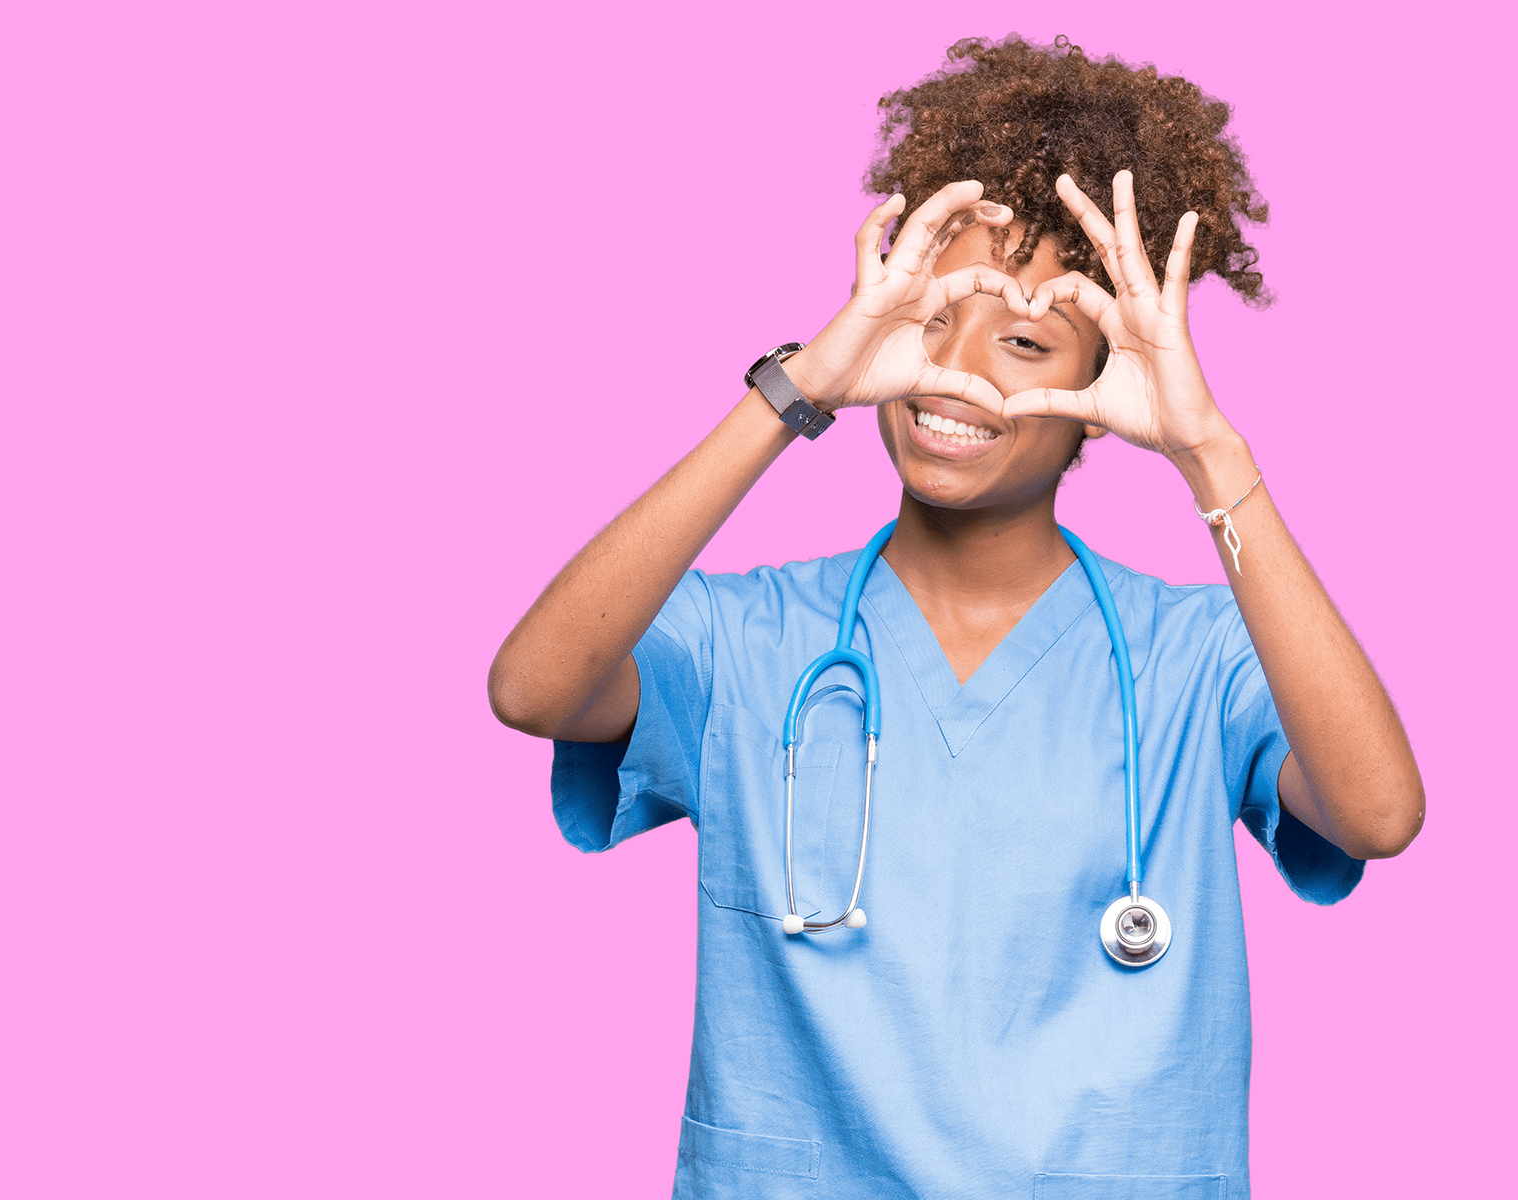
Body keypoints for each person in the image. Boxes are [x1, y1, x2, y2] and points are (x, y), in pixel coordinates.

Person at [487, 34, 1422, 1200]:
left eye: (1026, 343)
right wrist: (799, 390)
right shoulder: (750, 640)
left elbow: (1377, 813)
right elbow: (533, 688)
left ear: (1101, 400)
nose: (957, 376)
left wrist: (1209, 454)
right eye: (931, 322)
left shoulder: (1196, 658)